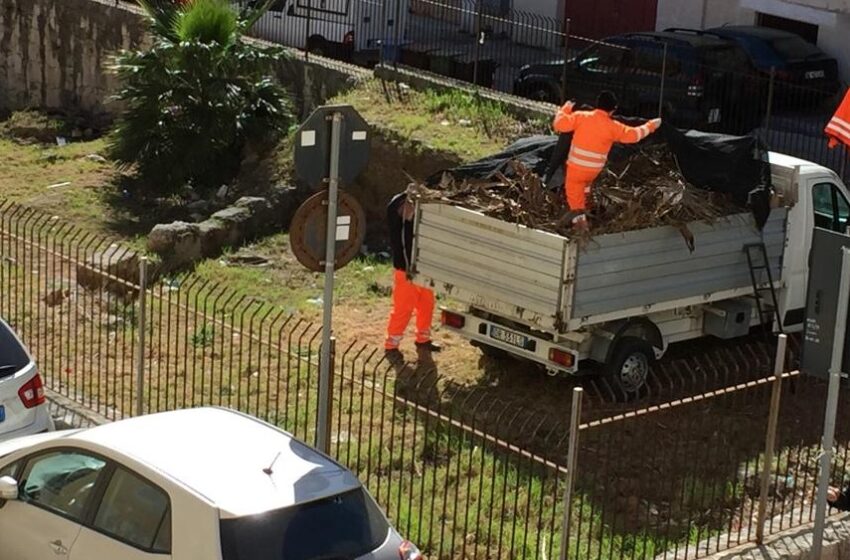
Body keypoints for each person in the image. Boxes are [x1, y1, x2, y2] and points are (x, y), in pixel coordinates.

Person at [552, 91, 662, 230]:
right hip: (593, 171)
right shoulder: (613, 126)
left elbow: (559, 124)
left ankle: (580, 224)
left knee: (574, 195)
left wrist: (566, 107)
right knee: (584, 188)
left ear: (597, 105)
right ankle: (588, 207)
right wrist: (651, 125)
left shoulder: (581, 117)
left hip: (576, 168)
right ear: (613, 110)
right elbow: (634, 135)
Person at [384, 191, 441, 366]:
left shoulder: (415, 205)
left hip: (422, 267)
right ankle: (391, 344)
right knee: (404, 308)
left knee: (427, 304)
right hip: (405, 268)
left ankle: (423, 339)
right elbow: (406, 215)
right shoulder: (398, 206)